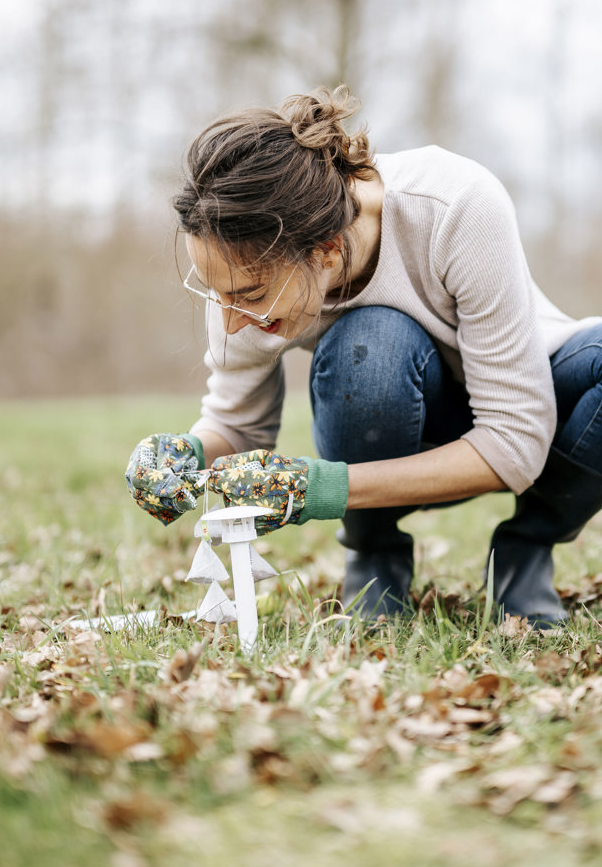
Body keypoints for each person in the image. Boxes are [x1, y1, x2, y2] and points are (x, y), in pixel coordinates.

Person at [125, 86, 602, 626]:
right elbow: (237, 427)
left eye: (250, 297)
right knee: (372, 343)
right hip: (401, 435)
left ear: (327, 250)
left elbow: (514, 440)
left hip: (529, 411)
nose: (230, 320)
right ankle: (374, 557)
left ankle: (525, 548)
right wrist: (184, 454)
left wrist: (319, 489)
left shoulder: (456, 205)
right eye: (214, 293)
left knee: (371, 340)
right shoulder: (241, 270)